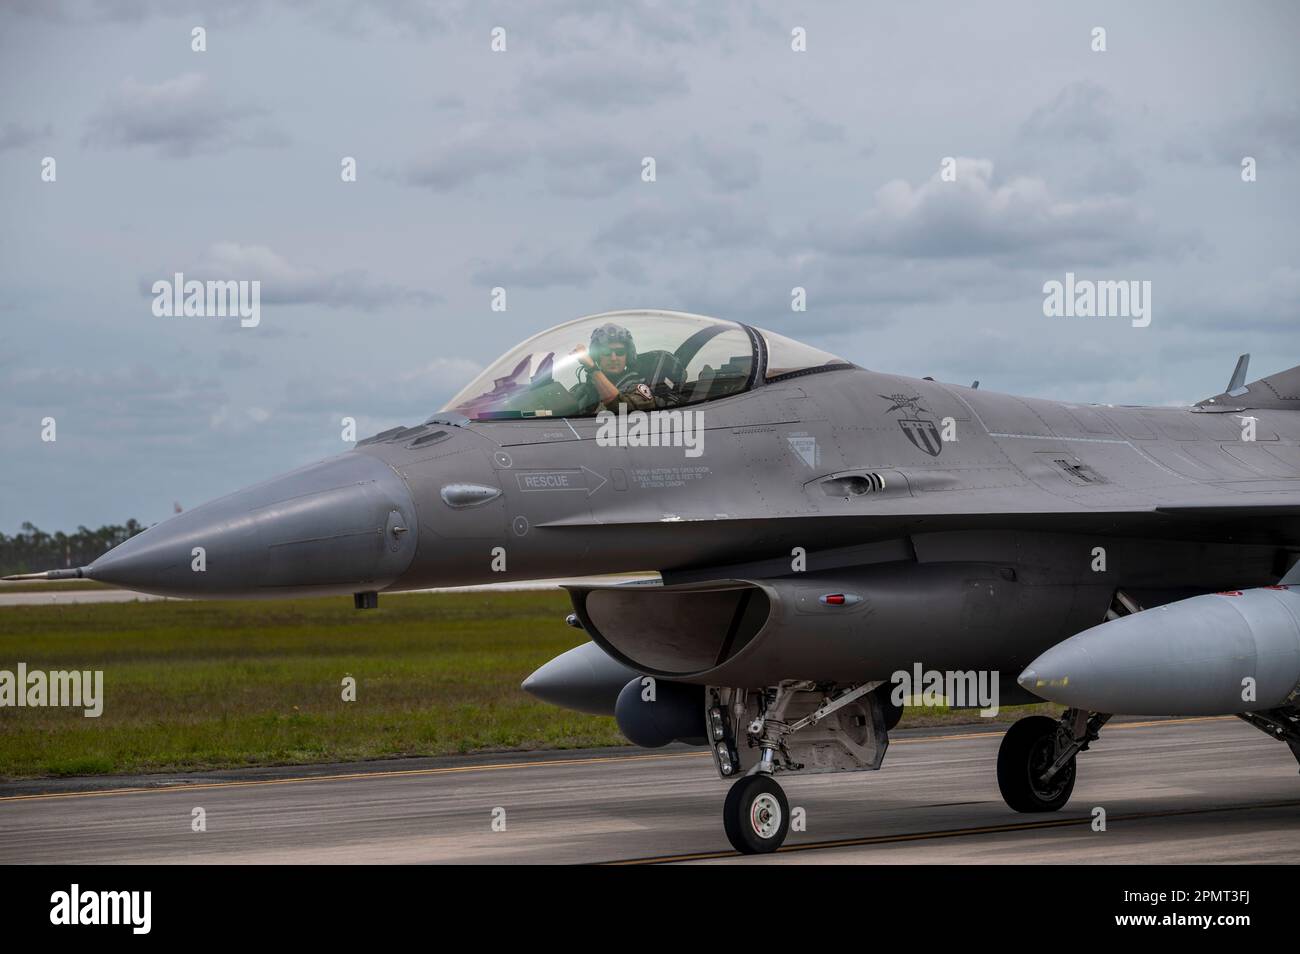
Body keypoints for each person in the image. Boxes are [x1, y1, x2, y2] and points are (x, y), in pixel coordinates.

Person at [570, 322, 656, 413]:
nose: (613, 358)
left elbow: (627, 411)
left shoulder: (636, 388)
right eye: (606, 352)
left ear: (628, 356)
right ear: (597, 356)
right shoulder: (583, 390)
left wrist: (592, 369)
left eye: (620, 352)